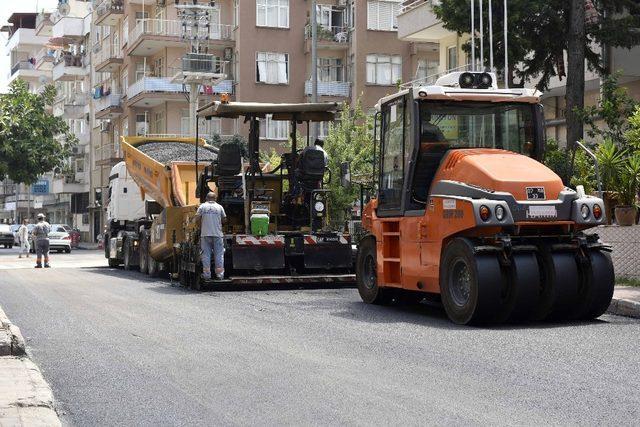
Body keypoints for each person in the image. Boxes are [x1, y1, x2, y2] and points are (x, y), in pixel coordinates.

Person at [194, 192, 226, 280]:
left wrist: (201, 226)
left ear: (206, 198)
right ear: (215, 199)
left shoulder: (202, 207)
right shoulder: (219, 207)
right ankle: (220, 275)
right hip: (218, 234)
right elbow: (224, 219)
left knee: (206, 255)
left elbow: (197, 218)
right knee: (219, 255)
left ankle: (207, 275)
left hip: (205, 234)